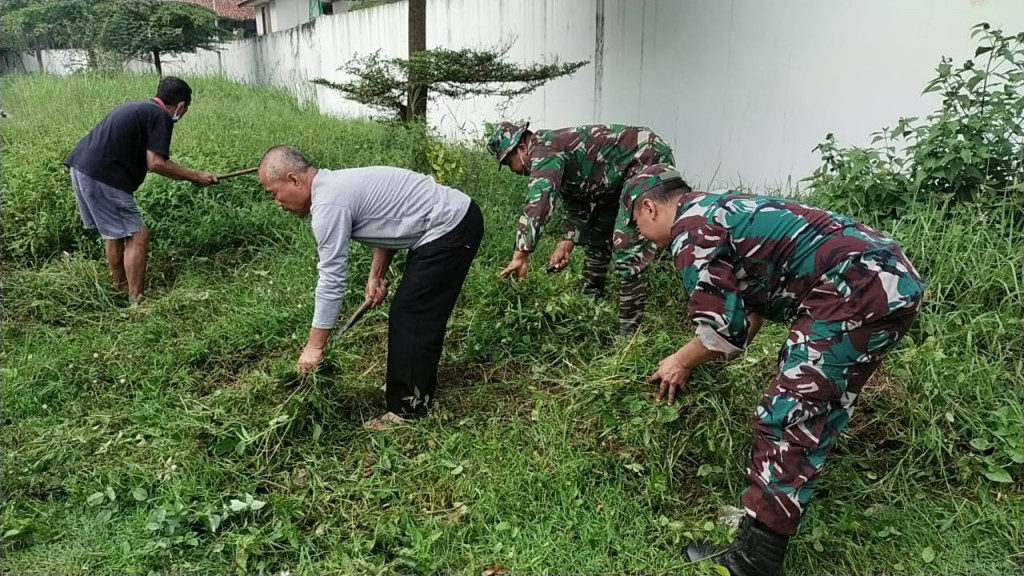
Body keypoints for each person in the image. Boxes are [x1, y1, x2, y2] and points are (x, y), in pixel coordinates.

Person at [621, 164, 924, 576]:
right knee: (817, 409)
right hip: (886, 280)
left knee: (786, 416)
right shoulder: (717, 208)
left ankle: (754, 562)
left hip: (853, 288)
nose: (638, 233)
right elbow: (750, 313)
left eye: (635, 223)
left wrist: (679, 361)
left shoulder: (690, 233)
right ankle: (763, 522)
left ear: (649, 207)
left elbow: (722, 332)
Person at [257, 146, 484, 429]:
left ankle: (406, 410)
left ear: (293, 179)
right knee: (412, 311)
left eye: (273, 193)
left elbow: (332, 279)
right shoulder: (335, 185)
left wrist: (314, 347)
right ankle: (409, 387)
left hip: (450, 225)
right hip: (449, 220)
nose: (277, 202)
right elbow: (388, 220)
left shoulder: (328, 205)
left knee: (413, 313)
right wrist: (375, 275)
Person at [486, 122, 675, 337]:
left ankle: (628, 335)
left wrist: (520, 255)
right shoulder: (553, 150)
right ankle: (590, 304)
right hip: (616, 178)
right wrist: (566, 244)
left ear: (521, 149)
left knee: (627, 243)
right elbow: (577, 200)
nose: (513, 171)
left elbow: (538, 203)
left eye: (510, 163)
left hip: (645, 158)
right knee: (598, 234)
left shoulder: (544, 151)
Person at [64, 76, 219, 303]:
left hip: (82, 168)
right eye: (185, 110)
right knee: (138, 235)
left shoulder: (139, 107)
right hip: (104, 175)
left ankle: (121, 288)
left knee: (114, 233)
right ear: (181, 106)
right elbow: (156, 162)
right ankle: (136, 300)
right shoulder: (160, 116)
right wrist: (196, 176)